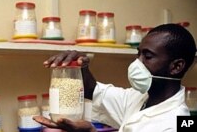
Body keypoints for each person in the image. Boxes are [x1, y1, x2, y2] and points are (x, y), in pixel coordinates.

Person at [33, 23, 197, 132]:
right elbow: (95, 92)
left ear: (176, 67)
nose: (136, 64)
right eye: (138, 54)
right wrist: (80, 67)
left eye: (147, 56)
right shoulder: (138, 98)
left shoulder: (175, 123)